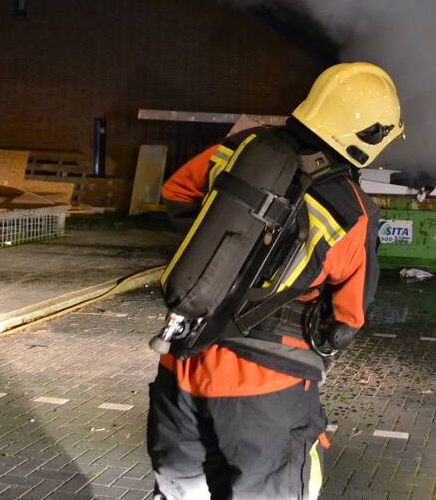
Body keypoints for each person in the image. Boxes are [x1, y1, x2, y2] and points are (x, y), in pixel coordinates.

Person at [147, 62, 402, 500]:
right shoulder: (352, 209)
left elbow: (175, 191)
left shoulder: (244, 146)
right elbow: (349, 316)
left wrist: (222, 255)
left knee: (182, 490)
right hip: (266, 385)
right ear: (370, 137)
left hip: (183, 358)